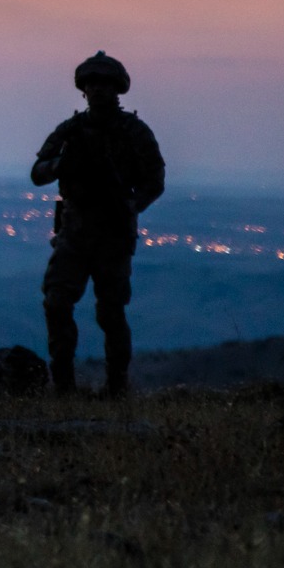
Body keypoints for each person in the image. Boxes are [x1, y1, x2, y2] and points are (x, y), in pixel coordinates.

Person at [32, 51, 165, 396]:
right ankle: (63, 386)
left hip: (114, 235)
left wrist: (131, 207)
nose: (98, 90)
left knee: (111, 312)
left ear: (117, 89)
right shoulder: (71, 130)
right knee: (57, 302)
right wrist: (62, 164)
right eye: (92, 84)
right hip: (74, 234)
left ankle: (117, 386)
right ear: (83, 88)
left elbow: (155, 180)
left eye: (105, 84)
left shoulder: (134, 132)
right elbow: (38, 172)